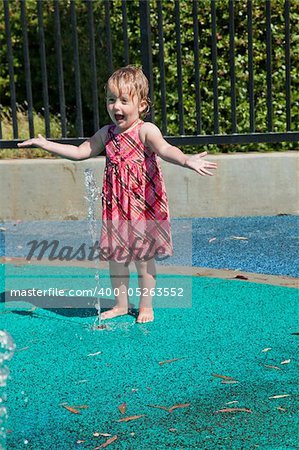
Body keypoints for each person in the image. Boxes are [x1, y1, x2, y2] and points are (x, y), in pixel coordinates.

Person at [18, 65, 217, 324]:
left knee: (143, 259)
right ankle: (121, 305)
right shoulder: (107, 134)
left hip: (143, 206)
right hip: (116, 208)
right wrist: (46, 145)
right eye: (111, 100)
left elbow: (166, 150)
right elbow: (80, 152)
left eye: (124, 100)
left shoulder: (146, 131)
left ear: (142, 105)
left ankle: (146, 306)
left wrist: (186, 159)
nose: (116, 106)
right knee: (116, 258)